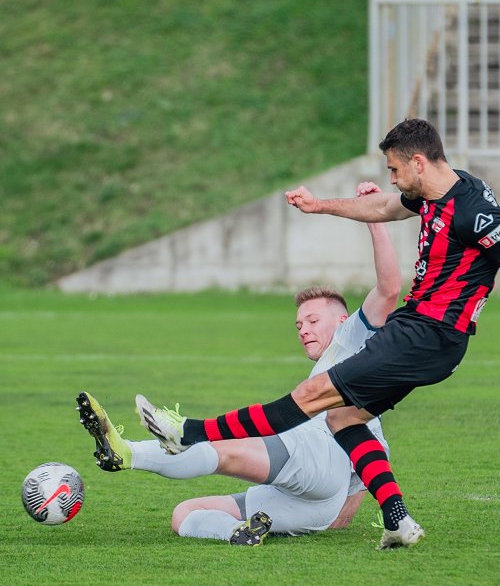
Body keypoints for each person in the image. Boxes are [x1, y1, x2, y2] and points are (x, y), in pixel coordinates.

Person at [136, 118, 500, 549]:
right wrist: (321, 205)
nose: (391, 179)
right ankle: (398, 520)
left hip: (426, 333)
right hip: (429, 337)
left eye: (394, 169)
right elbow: (387, 209)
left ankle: (187, 433)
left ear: (417, 161)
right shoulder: (430, 192)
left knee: (310, 395)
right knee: (344, 420)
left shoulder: (475, 211)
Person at [77, 182, 404, 547]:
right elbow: (356, 488)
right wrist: (327, 518)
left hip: (314, 459)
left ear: (344, 321)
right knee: (184, 515)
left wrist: (375, 218)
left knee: (224, 447)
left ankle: (129, 453)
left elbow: (389, 288)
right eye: (298, 325)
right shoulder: (355, 395)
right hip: (317, 506)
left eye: (313, 320)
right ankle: (236, 533)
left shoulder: (351, 338)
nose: (303, 330)